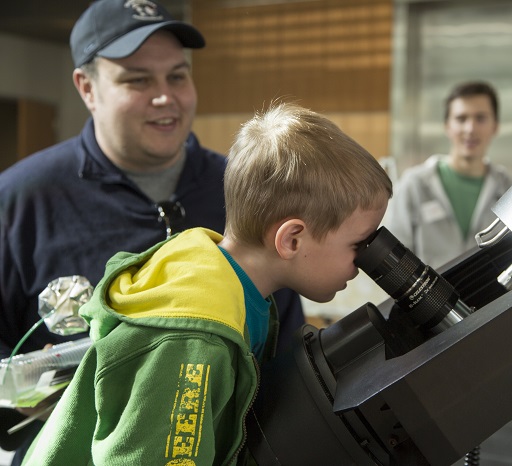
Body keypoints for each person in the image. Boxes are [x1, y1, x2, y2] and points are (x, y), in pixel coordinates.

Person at [0, 0, 303, 462]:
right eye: (137, 80)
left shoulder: (246, 192)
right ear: (87, 88)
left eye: (177, 76)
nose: (166, 97)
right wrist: (29, 387)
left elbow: (288, 348)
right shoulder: (21, 200)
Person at [21, 101, 392, 465]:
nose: (363, 261)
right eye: (358, 244)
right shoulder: (194, 340)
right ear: (291, 239)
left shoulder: (241, 297)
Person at [383, 81, 512, 268]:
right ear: (447, 126)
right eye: (461, 119)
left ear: (495, 126)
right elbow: (393, 257)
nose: (470, 128)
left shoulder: (508, 189)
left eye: (481, 118)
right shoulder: (415, 184)